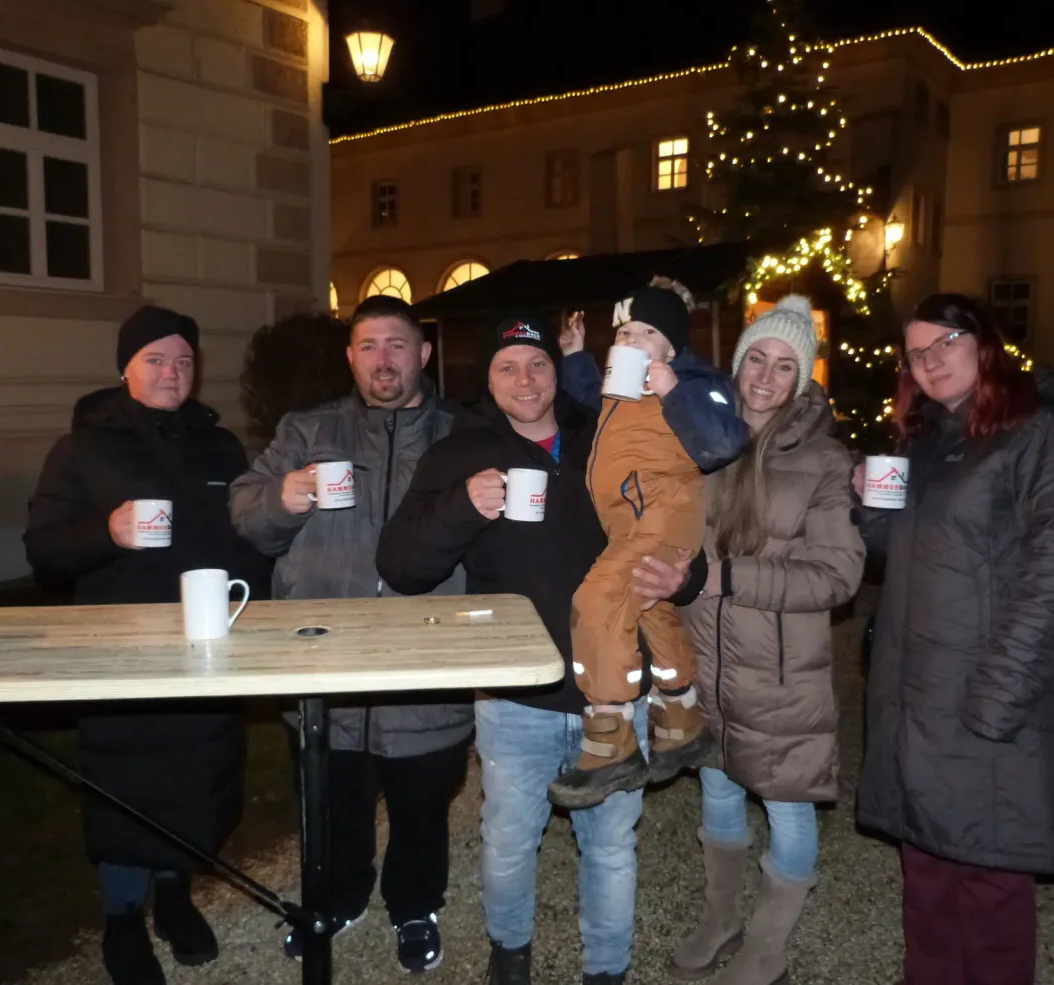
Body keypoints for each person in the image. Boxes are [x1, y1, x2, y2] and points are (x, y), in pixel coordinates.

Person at [376, 314, 702, 985]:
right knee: (506, 843)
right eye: (506, 366)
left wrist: (685, 575)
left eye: (538, 364)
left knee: (611, 850)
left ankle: (606, 970)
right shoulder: (459, 453)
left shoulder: (607, 433)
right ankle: (510, 953)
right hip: (514, 695)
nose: (524, 380)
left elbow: (678, 517)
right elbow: (402, 565)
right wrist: (464, 505)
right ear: (486, 380)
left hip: (613, 692)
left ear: (559, 370)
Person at [855, 294, 1054, 985]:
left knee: (989, 885)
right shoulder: (928, 440)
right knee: (928, 875)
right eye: (916, 353)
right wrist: (868, 502)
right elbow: (893, 555)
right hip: (917, 697)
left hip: (985, 701)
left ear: (983, 345)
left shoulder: (1039, 431)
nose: (930, 362)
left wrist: (997, 699)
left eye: (945, 344)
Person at [25, 305, 269, 985]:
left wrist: (255, 596)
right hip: (120, 651)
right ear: (125, 367)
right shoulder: (82, 447)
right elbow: (42, 548)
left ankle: (175, 895)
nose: (173, 371)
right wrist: (108, 529)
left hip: (203, 648)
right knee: (125, 781)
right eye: (156, 359)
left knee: (197, 774)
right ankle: (123, 917)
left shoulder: (219, 447)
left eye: (185, 359)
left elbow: (242, 540)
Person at [229, 295, 470, 973]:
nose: (383, 359)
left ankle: (415, 903)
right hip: (324, 659)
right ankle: (336, 897)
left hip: (424, 659)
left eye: (398, 344)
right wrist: (285, 495)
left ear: (423, 355)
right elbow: (246, 512)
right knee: (331, 798)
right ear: (350, 357)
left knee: (423, 799)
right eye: (368, 345)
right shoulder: (308, 430)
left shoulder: (459, 434)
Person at [670, 296, 865, 984]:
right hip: (705, 668)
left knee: (788, 810)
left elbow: (838, 573)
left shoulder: (824, 460)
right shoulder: (701, 438)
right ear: (738, 360)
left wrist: (721, 577)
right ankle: (721, 915)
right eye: (757, 356)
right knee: (718, 796)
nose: (765, 375)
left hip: (780, 678)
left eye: (785, 365)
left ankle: (767, 946)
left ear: (803, 377)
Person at [551, 285, 749, 809]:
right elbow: (593, 396)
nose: (631, 339)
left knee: (597, 601)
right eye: (623, 333)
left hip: (663, 521)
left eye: (645, 332)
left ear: (671, 349)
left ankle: (610, 738)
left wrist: (672, 388)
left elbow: (723, 442)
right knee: (651, 609)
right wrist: (574, 356)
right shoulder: (624, 390)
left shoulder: (695, 382)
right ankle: (681, 719)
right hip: (631, 524)